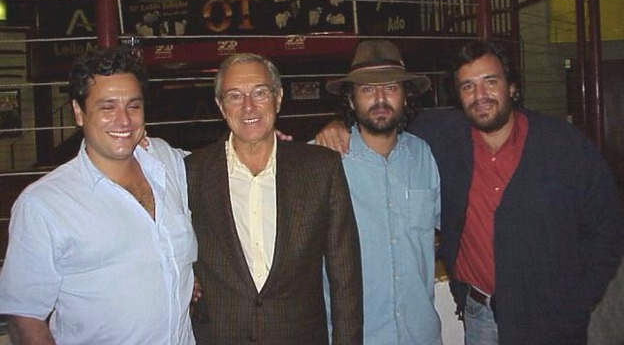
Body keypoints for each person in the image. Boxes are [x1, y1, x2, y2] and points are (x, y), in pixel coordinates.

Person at [316, 39, 624, 345]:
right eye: (468, 86)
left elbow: (608, 230)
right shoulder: (326, 161)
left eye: (490, 81)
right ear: (351, 100)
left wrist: (578, 299)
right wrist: (330, 126)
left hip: (546, 320)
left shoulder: (562, 145)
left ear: (512, 87)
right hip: (469, 318)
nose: (480, 95)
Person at [0, 46, 198, 345]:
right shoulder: (44, 204)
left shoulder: (167, 162)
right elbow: (25, 318)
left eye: (133, 106)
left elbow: (224, 171)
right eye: (107, 107)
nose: (124, 120)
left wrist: (262, 144)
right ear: (79, 113)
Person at [186, 52, 363, 344]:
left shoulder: (321, 168)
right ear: (220, 106)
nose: (248, 106)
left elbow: (346, 277)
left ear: (278, 98)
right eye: (234, 96)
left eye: (259, 92)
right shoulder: (191, 173)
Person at [322, 40, 442, 344]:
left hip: (421, 335)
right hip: (355, 337)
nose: (379, 98)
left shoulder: (423, 156)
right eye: (366, 90)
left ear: (405, 97)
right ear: (351, 101)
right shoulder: (324, 162)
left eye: (390, 88)